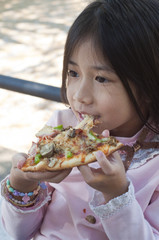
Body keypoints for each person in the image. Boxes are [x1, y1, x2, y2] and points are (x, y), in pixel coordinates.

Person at [1, 0, 159, 239]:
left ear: (149, 87)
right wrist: (22, 186)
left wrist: (116, 196)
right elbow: (17, 233)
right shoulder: (60, 130)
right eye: (73, 73)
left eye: (102, 79)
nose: (79, 96)